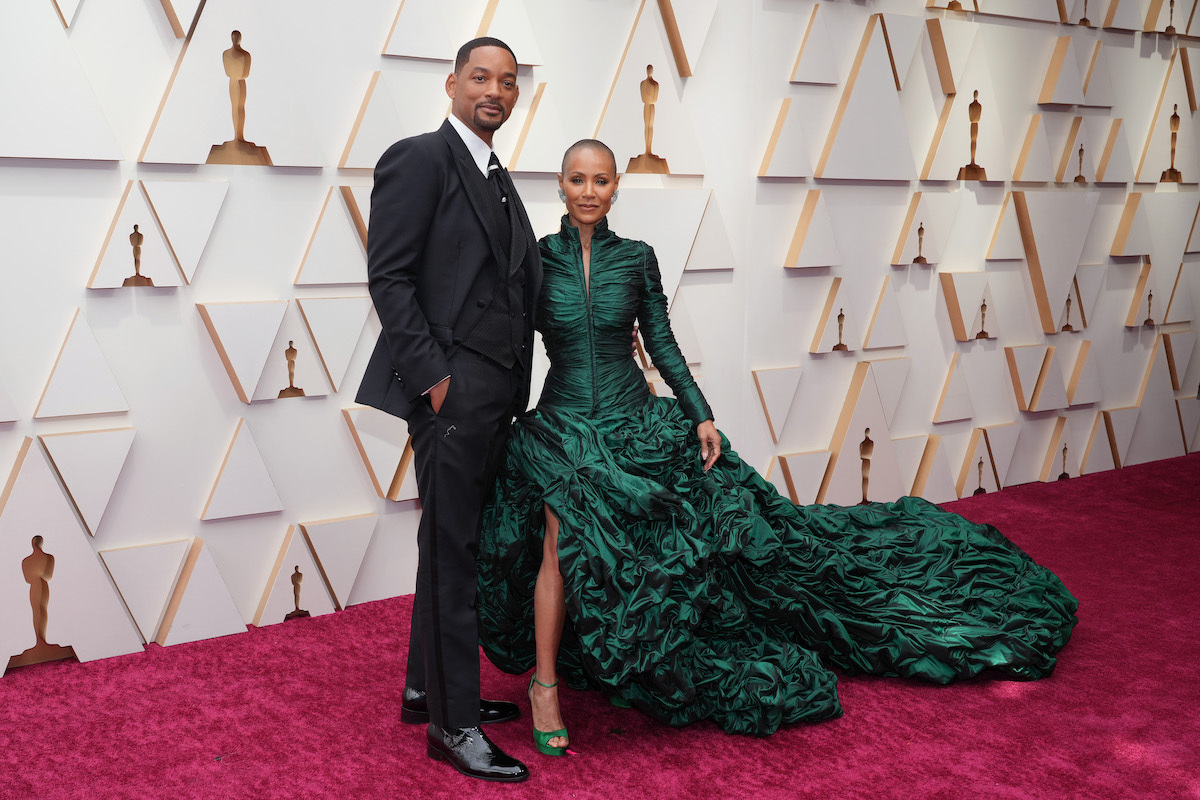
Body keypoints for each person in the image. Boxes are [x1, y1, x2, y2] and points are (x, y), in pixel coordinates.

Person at [477, 140, 1077, 750]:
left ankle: (645, 649)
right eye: (577, 179)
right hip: (564, 426)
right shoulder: (535, 259)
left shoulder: (637, 258)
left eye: (600, 180)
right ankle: (544, 686)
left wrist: (701, 415)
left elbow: (660, 342)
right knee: (559, 538)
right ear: (559, 184)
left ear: (614, 188)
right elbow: (506, 344)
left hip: (635, 417)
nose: (588, 191)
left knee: (685, 543)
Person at [356, 37, 541, 783]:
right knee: (454, 553)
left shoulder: (498, 176)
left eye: (506, 81)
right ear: (451, 84)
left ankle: (425, 689)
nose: (493, 90)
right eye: (479, 77)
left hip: (496, 394)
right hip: (453, 395)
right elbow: (388, 277)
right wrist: (435, 380)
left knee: (449, 542)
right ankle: (453, 728)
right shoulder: (420, 158)